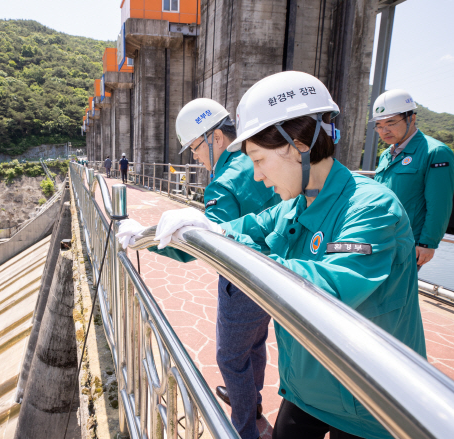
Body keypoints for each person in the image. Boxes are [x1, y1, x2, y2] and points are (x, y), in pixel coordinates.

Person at [148, 71, 426, 439]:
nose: (258, 176)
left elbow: (328, 286)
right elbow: (247, 227)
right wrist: (196, 230)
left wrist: (247, 259)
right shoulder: (295, 205)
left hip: (370, 403)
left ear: (298, 144)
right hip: (308, 387)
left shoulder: (371, 207)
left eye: (259, 160)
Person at [118, 98, 280, 439]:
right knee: (255, 345)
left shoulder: (223, 182)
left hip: (242, 278)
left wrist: (143, 237)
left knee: (230, 358)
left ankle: (243, 428)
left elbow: (200, 246)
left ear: (216, 138)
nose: (194, 156)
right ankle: (251, 403)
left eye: (194, 147)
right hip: (274, 274)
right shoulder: (258, 162)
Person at [371, 89, 454, 267]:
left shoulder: (436, 153)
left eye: (391, 123)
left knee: (396, 293)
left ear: (411, 118)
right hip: (380, 237)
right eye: (379, 125)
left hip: (407, 243)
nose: (384, 130)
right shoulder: (387, 154)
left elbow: (439, 204)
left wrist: (427, 243)